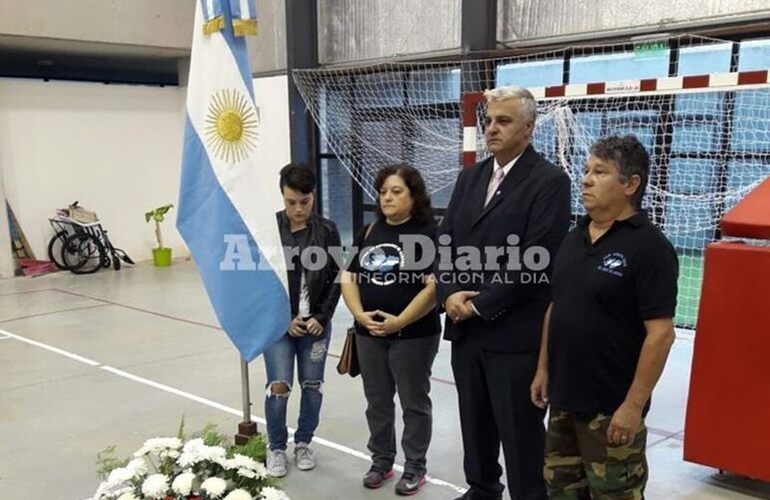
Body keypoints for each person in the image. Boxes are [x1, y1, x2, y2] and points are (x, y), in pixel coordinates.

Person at [435, 86, 571, 500]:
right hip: (466, 331)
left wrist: (478, 305)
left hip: (514, 336)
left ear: (528, 128)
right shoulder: (470, 178)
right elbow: (444, 244)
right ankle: (481, 489)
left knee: (520, 435)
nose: (492, 128)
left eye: (503, 121)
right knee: (474, 426)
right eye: (489, 120)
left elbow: (534, 258)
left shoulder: (549, 182)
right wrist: (449, 294)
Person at [530, 135, 678, 499]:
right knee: (561, 491)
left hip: (611, 410)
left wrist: (632, 405)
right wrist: (544, 369)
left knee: (614, 494)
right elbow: (556, 306)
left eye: (599, 172)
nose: (585, 179)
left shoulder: (650, 248)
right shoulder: (573, 237)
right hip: (564, 400)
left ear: (630, 184)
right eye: (585, 170)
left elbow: (660, 335)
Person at [341, 164, 441, 496]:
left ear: (414, 196)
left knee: (413, 401)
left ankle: (414, 467)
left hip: (413, 335)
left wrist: (400, 321)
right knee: (378, 401)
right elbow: (349, 277)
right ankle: (381, 461)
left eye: (396, 191)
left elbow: (432, 288)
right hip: (369, 335)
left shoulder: (428, 233)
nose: (387, 197)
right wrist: (359, 315)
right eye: (383, 191)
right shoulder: (370, 232)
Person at [264, 163, 341, 477]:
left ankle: (304, 442)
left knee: (312, 385)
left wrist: (322, 317)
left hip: (316, 326)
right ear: (282, 196)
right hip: (279, 326)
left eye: (304, 202)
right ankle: (277, 447)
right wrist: (284, 319)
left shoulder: (327, 230)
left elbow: (339, 276)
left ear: (314, 196)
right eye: (291, 202)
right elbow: (261, 281)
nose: (298, 209)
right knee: (279, 386)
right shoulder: (269, 229)